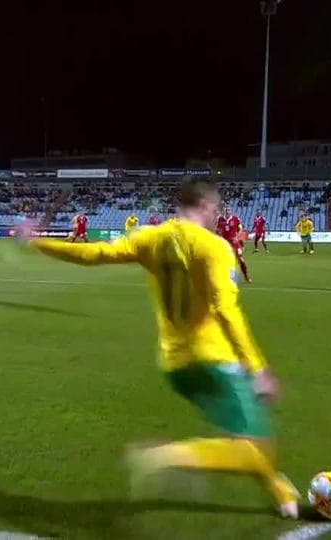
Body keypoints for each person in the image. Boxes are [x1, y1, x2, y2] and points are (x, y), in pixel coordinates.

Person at [17, 179, 299, 518]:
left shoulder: (151, 237)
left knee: (247, 439)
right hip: (214, 361)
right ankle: (162, 457)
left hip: (175, 366)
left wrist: (39, 242)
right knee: (255, 447)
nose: (217, 215)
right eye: (215, 208)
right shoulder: (214, 247)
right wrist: (257, 367)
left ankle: (281, 491)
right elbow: (225, 310)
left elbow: (94, 254)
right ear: (206, 206)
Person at [217, 206, 250, 283]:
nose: (227, 211)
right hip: (225, 243)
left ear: (231, 211)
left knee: (241, 259)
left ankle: (246, 276)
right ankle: (226, 277)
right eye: (226, 210)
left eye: (229, 210)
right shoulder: (220, 219)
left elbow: (240, 229)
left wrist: (237, 237)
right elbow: (217, 230)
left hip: (234, 242)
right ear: (224, 211)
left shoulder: (235, 219)